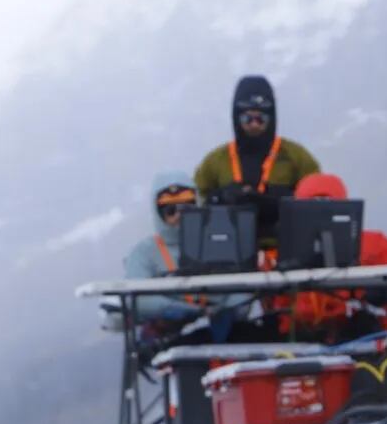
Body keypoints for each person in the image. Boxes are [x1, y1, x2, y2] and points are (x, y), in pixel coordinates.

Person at [275, 173, 387, 341]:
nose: (320, 211)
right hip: (299, 340)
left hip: (365, 337)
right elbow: (270, 301)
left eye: (327, 203)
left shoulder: (372, 244)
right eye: (313, 204)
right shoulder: (280, 255)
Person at [194, 75, 322, 244]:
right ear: (236, 118)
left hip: (287, 253)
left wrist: (282, 200)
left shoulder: (296, 156)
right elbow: (195, 203)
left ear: (272, 118)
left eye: (261, 119)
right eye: (247, 119)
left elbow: (320, 199)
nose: (254, 124)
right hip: (230, 253)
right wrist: (221, 197)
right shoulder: (215, 161)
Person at [122, 171, 221, 345]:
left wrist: (219, 309)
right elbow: (137, 298)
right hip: (171, 335)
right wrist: (180, 310)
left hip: (219, 328)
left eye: (186, 208)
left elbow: (240, 293)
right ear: (158, 213)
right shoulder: (144, 252)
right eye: (170, 210)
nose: (179, 216)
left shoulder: (218, 243)